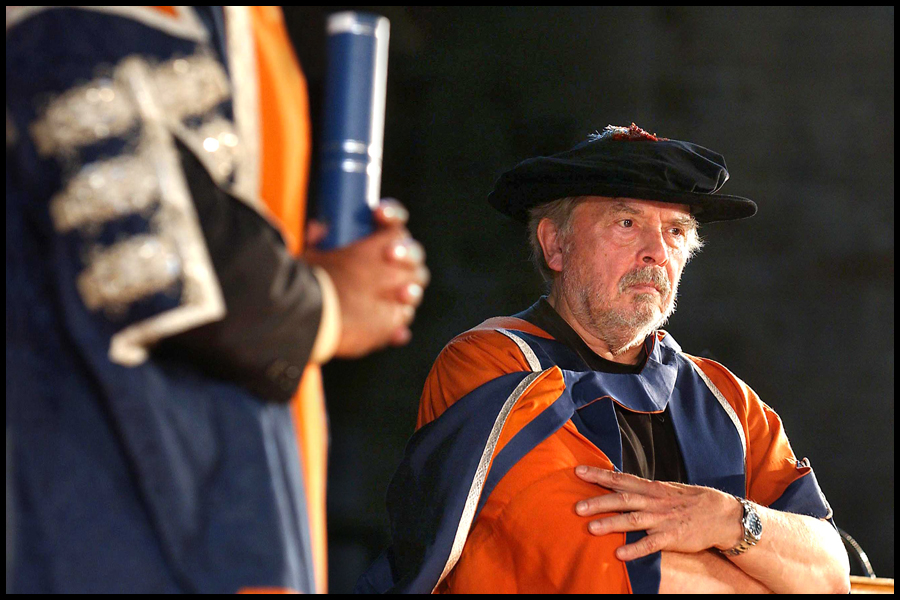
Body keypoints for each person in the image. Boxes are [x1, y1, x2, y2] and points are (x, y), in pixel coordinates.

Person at [6, 6, 428, 593]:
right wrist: (327, 302)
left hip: (231, 496)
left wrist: (340, 275)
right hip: (121, 506)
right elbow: (139, 246)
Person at [358, 124, 850, 594]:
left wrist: (727, 519)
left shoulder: (725, 400)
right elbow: (596, 561)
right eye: (626, 222)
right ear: (555, 244)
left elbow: (830, 571)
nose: (656, 251)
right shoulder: (491, 367)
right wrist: (771, 571)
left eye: (677, 230)